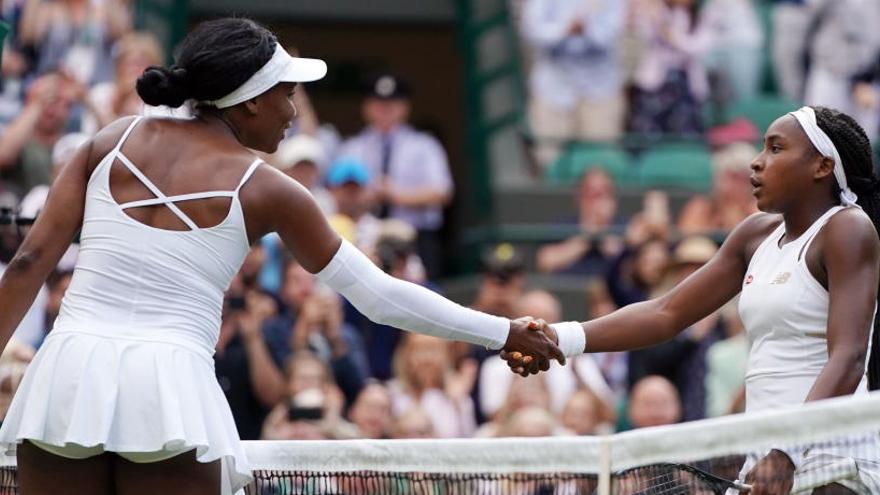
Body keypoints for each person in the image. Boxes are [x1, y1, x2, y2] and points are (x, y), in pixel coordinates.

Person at [0, 18, 562, 495]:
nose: (293, 110)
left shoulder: (109, 139)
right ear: (246, 104)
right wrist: (503, 332)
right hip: (166, 392)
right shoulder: (270, 189)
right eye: (285, 93)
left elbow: (28, 264)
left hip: (66, 382)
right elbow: (380, 296)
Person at [506, 105, 880, 494]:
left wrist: (787, 452)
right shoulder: (754, 235)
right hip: (769, 457)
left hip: (834, 461)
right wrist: (557, 337)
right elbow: (664, 313)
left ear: (821, 166)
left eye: (775, 149)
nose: (756, 162)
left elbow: (849, 355)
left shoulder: (847, 228)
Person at [336, 71, 454, 279]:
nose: (384, 110)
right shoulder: (352, 147)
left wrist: (396, 194)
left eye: (392, 104)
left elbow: (442, 191)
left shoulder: (424, 145)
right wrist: (365, 195)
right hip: (366, 237)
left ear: (404, 108)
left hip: (416, 236)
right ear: (366, 107)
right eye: (378, 103)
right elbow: (336, 193)